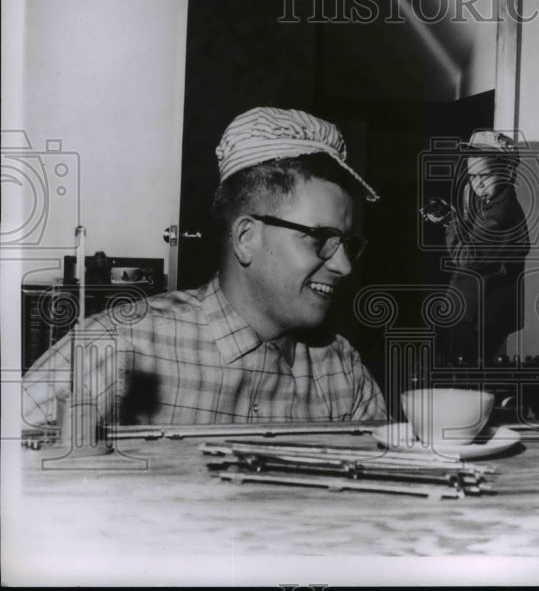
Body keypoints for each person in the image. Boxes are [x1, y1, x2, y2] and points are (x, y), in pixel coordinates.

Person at [22, 107, 387, 429]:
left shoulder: (343, 372)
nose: (343, 265)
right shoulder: (116, 347)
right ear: (246, 238)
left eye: (347, 244)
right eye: (320, 237)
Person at [423, 130, 530, 366]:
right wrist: (450, 217)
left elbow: (468, 257)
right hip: (476, 312)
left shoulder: (500, 213)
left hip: (479, 315)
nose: (478, 183)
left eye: (485, 175)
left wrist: (450, 223)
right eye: (472, 177)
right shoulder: (491, 205)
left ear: (508, 173)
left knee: (468, 376)